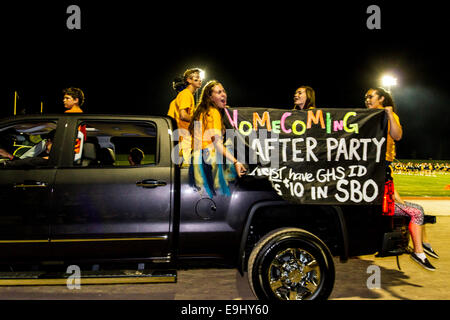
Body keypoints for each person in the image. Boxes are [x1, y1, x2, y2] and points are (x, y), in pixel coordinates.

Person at [365, 87, 438, 271]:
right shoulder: (365, 117)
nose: (366, 99)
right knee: (417, 211)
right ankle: (420, 251)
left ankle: (423, 246)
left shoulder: (388, 116)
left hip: (382, 170)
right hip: (376, 173)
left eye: (370, 96)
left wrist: (389, 115)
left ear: (381, 98)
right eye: (365, 97)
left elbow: (397, 135)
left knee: (413, 208)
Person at [188, 80, 247, 198]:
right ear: (210, 97)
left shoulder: (203, 112)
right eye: (219, 92)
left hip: (197, 162)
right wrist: (236, 161)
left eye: (223, 91)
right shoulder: (213, 112)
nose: (223, 94)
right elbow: (217, 144)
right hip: (208, 163)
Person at [168, 69, 203, 163]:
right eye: (197, 78)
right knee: (186, 170)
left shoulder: (185, 95)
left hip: (181, 137)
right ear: (189, 80)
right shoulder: (186, 94)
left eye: (200, 78)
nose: (200, 80)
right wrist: (198, 121)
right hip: (183, 138)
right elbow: (183, 116)